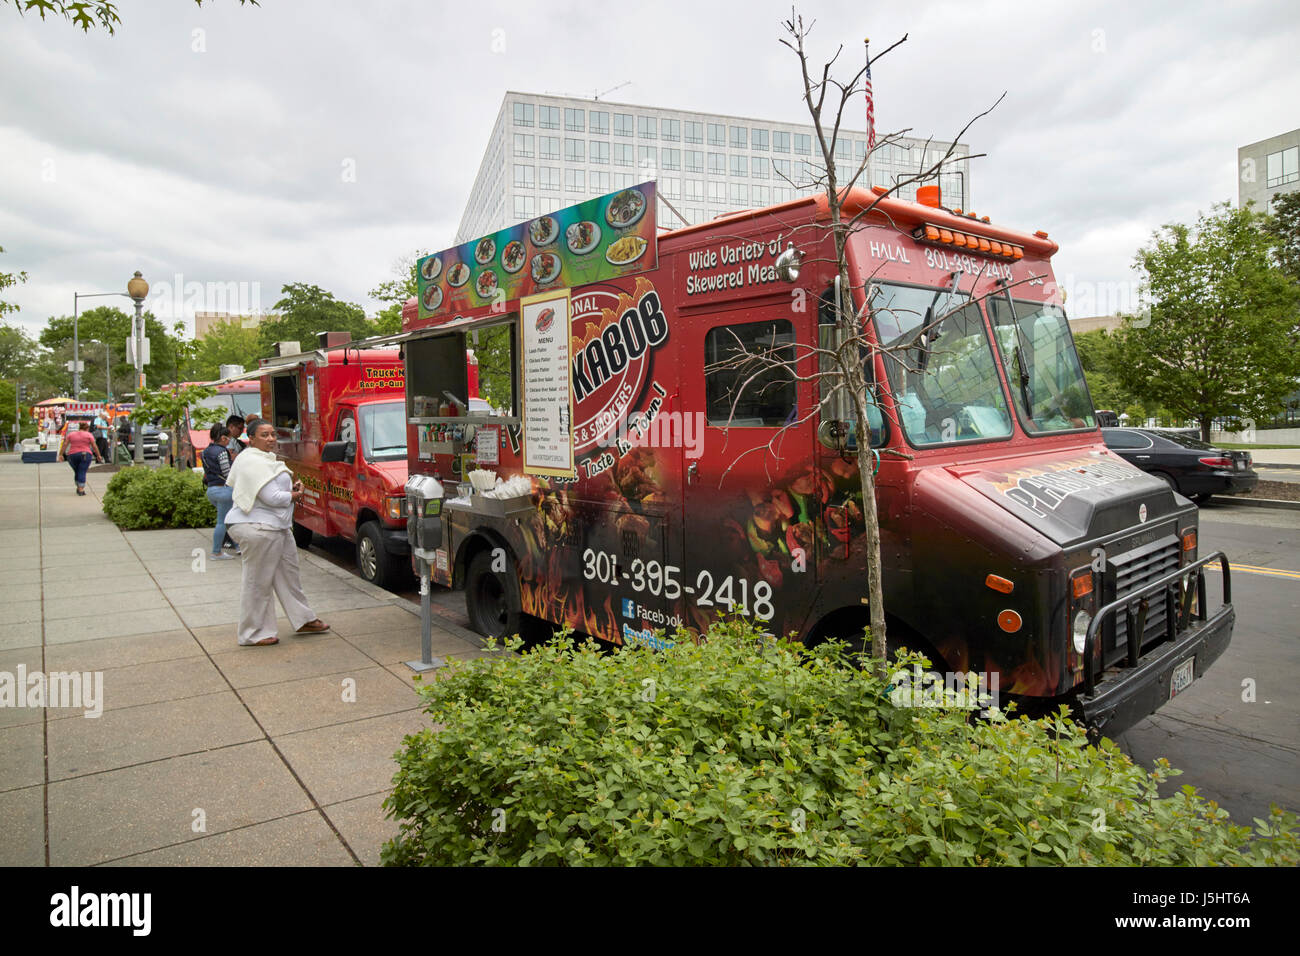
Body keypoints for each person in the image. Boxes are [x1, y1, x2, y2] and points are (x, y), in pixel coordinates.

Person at [224, 418, 329, 646]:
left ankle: (304, 619)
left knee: (289, 576)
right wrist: (294, 495)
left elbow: (271, 492)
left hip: (276, 527)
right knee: (258, 582)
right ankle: (253, 633)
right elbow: (271, 498)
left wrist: (291, 491)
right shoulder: (252, 461)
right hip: (259, 527)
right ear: (251, 439)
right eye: (264, 435)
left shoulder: (263, 459)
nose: (271, 439)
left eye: (272, 434)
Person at [202, 423, 239, 560]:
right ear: (223, 438)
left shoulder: (206, 451)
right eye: (228, 438)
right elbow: (227, 473)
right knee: (223, 522)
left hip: (211, 490)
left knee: (229, 520)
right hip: (223, 490)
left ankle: (238, 546)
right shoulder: (222, 452)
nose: (230, 441)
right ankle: (216, 552)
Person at [58, 422, 103, 495]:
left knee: (77, 471)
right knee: (82, 470)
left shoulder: (71, 434)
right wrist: (98, 455)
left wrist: (61, 454)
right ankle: (81, 489)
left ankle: (78, 485)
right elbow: (94, 446)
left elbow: (65, 444)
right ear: (87, 429)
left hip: (72, 455)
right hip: (85, 454)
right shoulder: (89, 435)